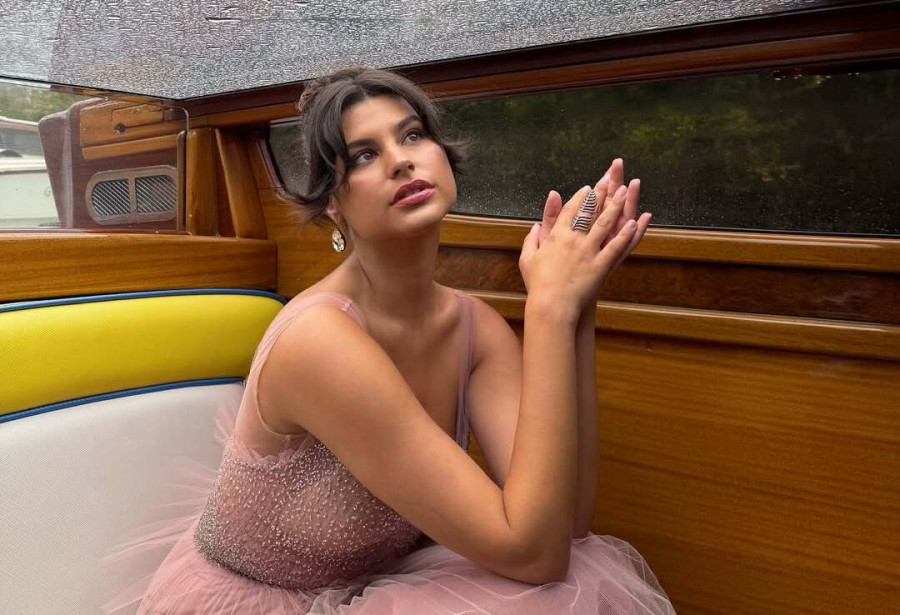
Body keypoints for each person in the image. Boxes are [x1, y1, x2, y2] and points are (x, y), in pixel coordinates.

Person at [110, 67, 674, 614]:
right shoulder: (320, 341)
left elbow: (565, 528)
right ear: (333, 204)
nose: (401, 160)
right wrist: (547, 307)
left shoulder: (475, 329)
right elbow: (533, 554)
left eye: (412, 135)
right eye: (363, 155)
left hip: (375, 586)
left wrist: (577, 302)